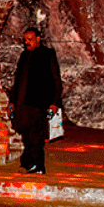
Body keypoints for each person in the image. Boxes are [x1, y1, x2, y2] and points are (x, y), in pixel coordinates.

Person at [8, 26, 64, 174]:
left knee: (36, 137)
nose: (27, 43)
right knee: (26, 135)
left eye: (30, 39)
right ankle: (30, 163)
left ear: (38, 39)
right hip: (23, 102)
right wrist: (12, 101)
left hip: (39, 102)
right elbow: (18, 80)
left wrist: (55, 102)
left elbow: (56, 80)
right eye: (25, 40)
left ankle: (37, 165)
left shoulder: (47, 55)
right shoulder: (24, 56)